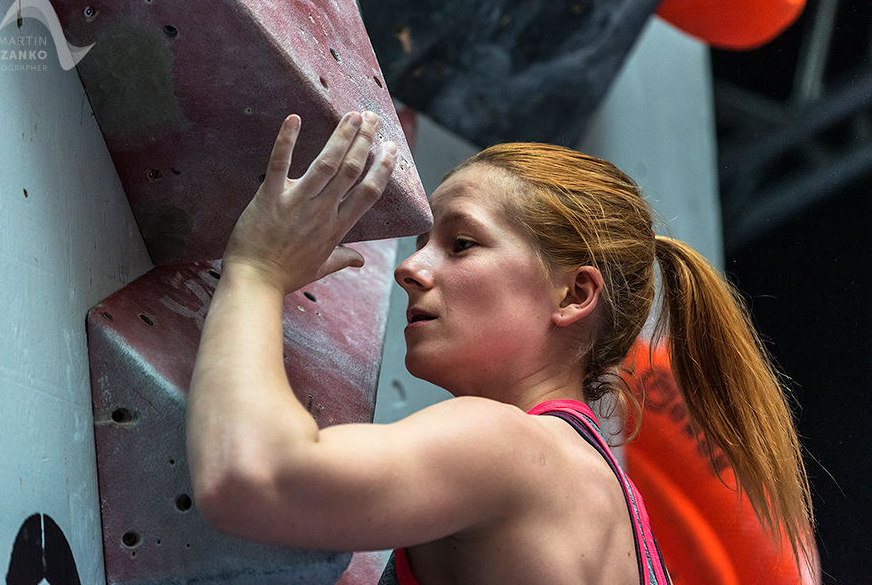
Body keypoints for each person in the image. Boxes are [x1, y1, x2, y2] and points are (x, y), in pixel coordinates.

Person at [186, 111, 814, 585]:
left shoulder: (509, 447)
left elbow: (249, 479)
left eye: (461, 245)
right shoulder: (612, 512)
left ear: (573, 294)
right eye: (423, 242)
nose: (412, 268)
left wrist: (258, 270)